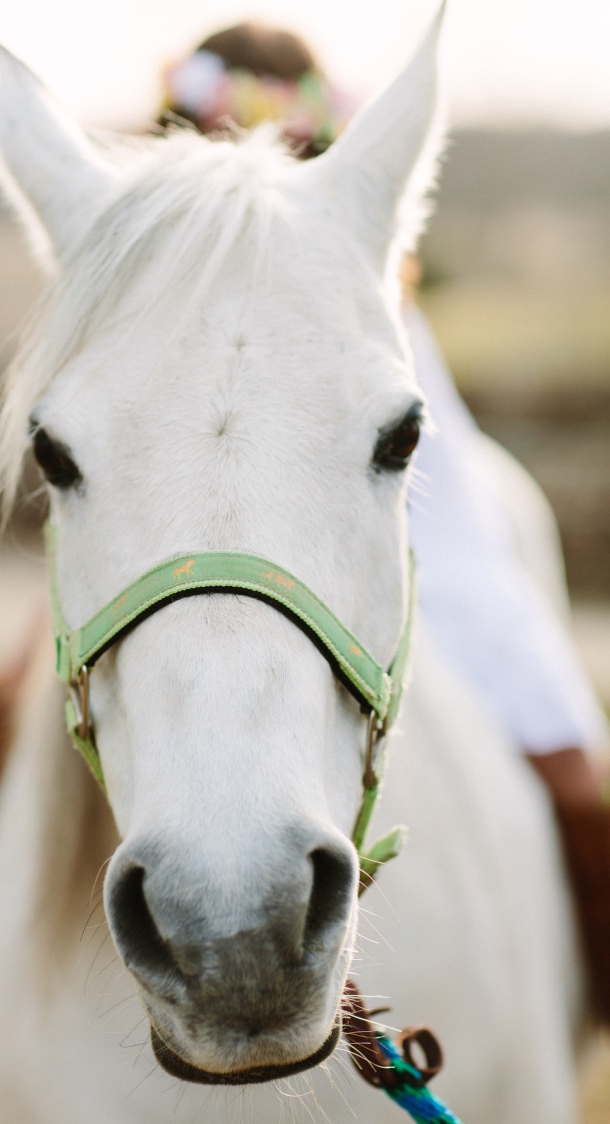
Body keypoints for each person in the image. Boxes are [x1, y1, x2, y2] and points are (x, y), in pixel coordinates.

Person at [161, 22, 610, 1017]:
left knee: (576, 769)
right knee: (18, 685)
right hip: (199, 561)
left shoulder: (369, 296)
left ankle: (584, 960)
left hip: (421, 545)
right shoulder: (160, 298)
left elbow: (434, 476)